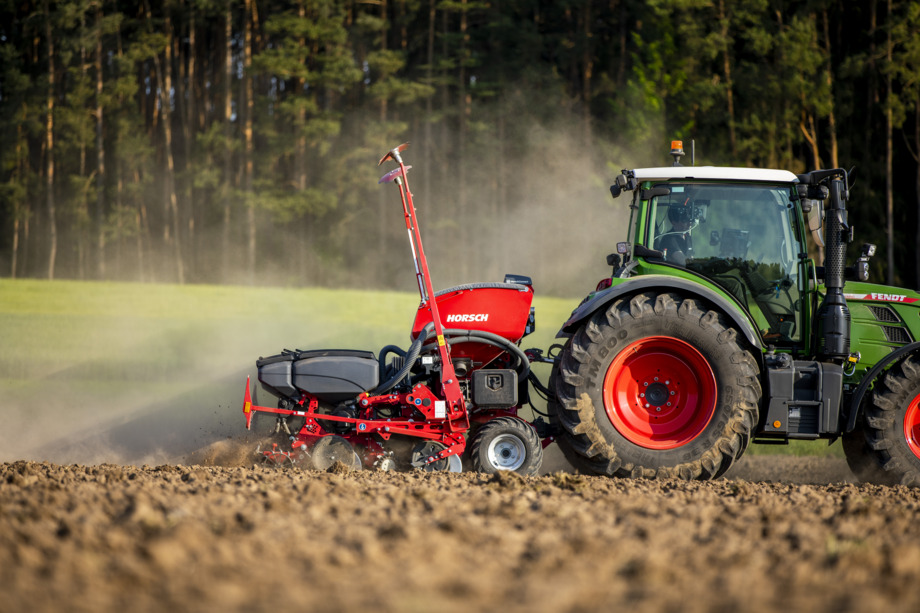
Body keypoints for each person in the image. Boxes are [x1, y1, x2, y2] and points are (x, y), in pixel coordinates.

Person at [655, 199, 694, 266]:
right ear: (674, 223)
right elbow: (683, 261)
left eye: (689, 221)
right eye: (684, 221)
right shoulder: (669, 239)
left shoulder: (687, 236)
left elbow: (691, 257)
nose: (689, 224)